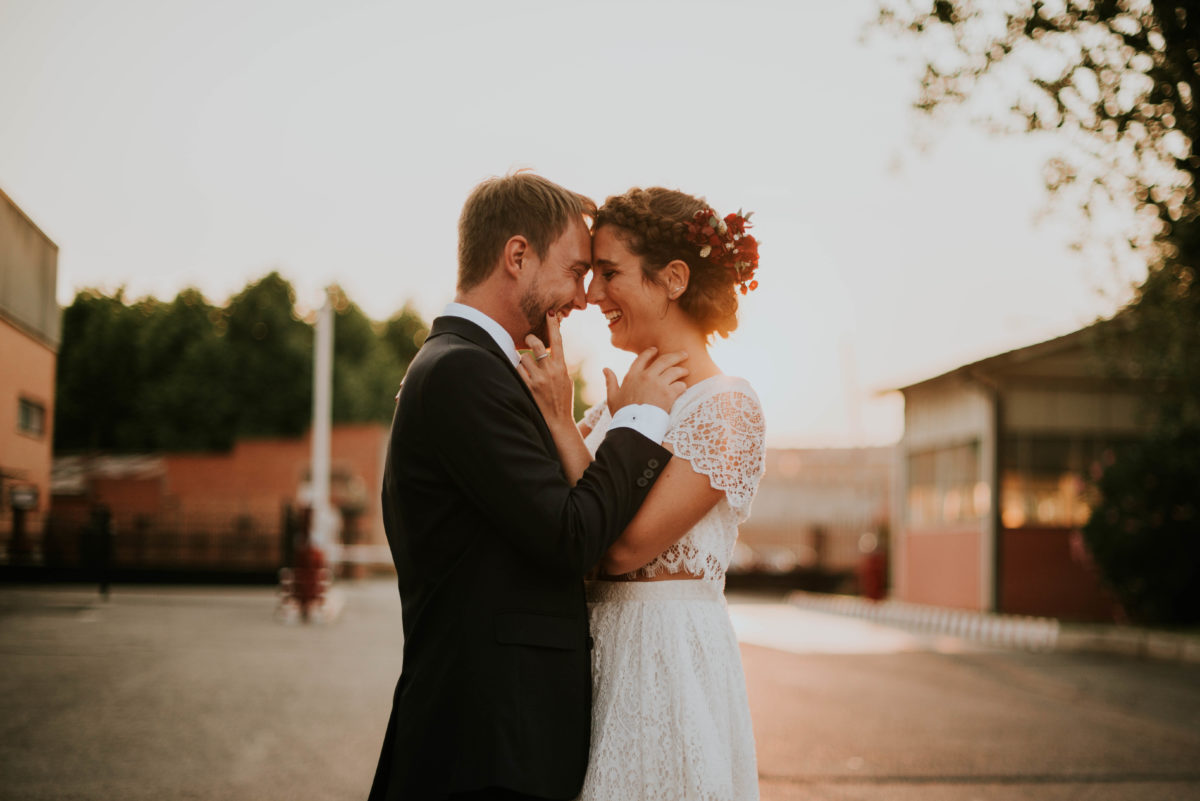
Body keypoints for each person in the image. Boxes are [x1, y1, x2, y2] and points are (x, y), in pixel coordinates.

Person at [368, 172, 691, 801]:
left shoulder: (474, 367)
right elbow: (571, 535)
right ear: (517, 256)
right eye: (574, 271)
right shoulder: (464, 372)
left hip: (495, 734)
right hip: (487, 743)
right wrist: (640, 420)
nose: (581, 296)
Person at [520, 187, 766, 801]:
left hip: (665, 663)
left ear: (674, 278)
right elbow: (571, 515)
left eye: (610, 273)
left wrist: (558, 422)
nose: (593, 295)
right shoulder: (619, 404)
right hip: (595, 651)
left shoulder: (727, 407)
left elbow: (624, 547)